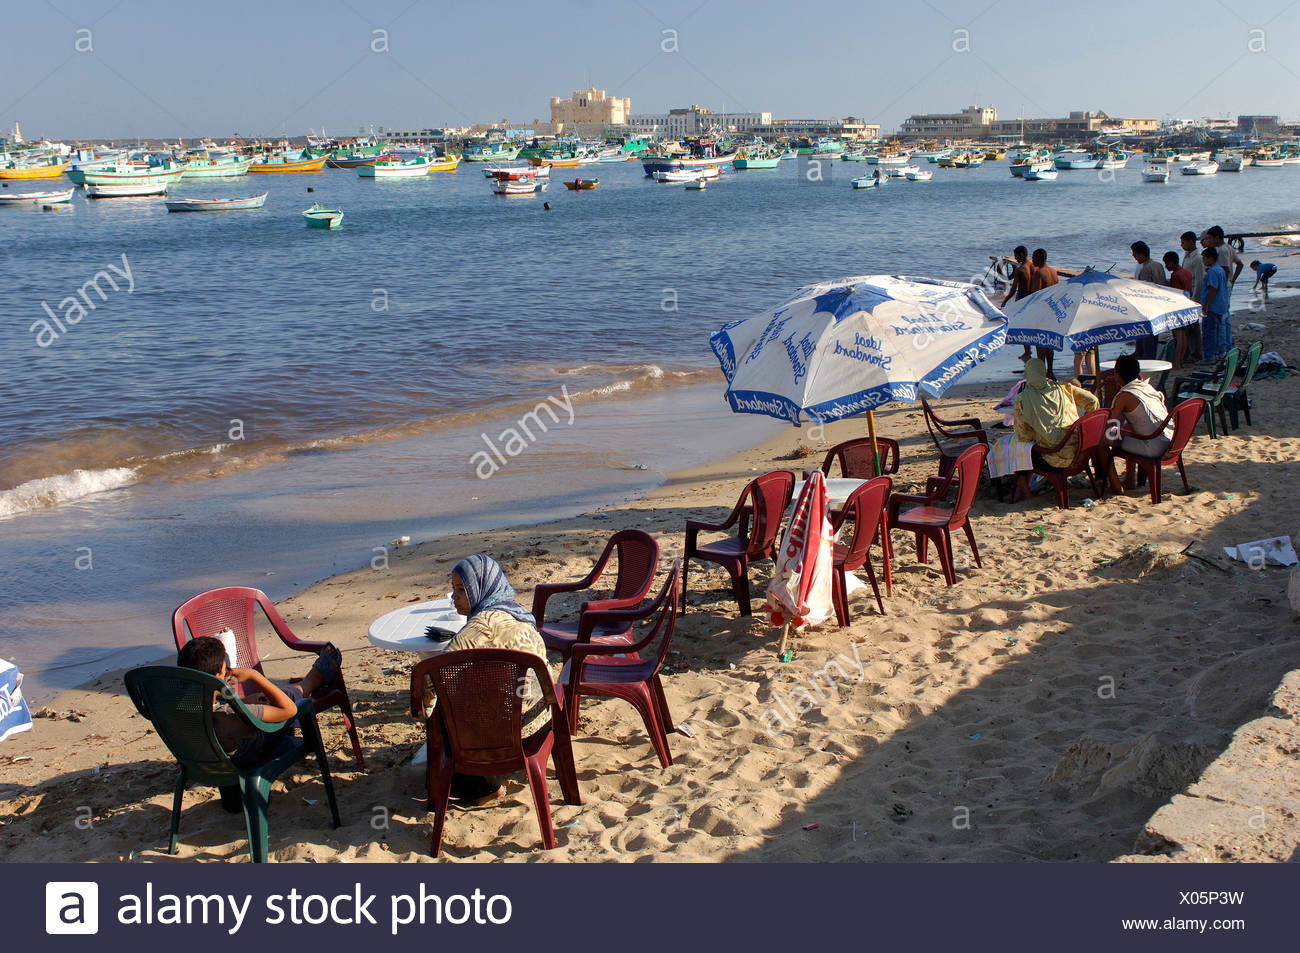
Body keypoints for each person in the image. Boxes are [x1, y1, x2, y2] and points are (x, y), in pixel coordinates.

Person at [432, 554, 554, 804]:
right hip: (543, 725)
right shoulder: (516, 614)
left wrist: (423, 706)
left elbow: (434, 675)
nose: (453, 597)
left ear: (480, 589)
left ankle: (483, 788)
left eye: (460, 590)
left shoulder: (478, 627)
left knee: (444, 712)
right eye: (452, 590)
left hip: (509, 737)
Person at [176, 636, 341, 769]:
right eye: (225, 669)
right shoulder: (230, 715)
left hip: (202, 762)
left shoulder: (175, 706)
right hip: (246, 758)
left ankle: (305, 685)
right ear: (219, 674)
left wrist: (243, 701)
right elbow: (289, 710)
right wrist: (254, 675)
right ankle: (311, 681)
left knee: (263, 699)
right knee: (288, 698)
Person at [1012, 358, 1100, 499]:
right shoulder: (1064, 388)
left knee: (1020, 451)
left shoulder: (1022, 399)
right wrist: (1085, 429)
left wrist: (1039, 431)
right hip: (1080, 453)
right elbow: (1093, 401)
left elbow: (1023, 436)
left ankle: (1024, 492)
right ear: (1043, 372)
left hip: (1053, 460)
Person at [1098, 353, 1173, 494]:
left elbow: (1108, 421)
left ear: (1118, 375)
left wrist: (1110, 396)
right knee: (1128, 430)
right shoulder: (1147, 387)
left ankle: (1115, 485)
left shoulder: (1124, 395)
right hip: (1170, 441)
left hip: (1154, 446)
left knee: (1101, 443)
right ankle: (1130, 479)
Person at [1130, 241, 1167, 359]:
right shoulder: (1158, 265)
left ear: (1141, 254)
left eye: (1135, 254)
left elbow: (1144, 291)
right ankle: (1149, 355)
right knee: (1153, 334)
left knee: (1147, 334)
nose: (1134, 257)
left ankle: (1147, 358)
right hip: (1159, 304)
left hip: (1148, 307)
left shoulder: (1146, 269)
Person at [1026, 248, 1059, 378]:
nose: (1032, 261)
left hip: (1041, 312)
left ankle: (1042, 372)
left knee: (1040, 344)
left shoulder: (1039, 273)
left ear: (1039, 258)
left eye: (1033, 258)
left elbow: (1035, 296)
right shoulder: (1053, 272)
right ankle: (1050, 370)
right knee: (1049, 343)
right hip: (1052, 311)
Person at [1163, 250, 1196, 368]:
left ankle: (1177, 362)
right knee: (1184, 336)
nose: (1166, 267)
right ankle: (1181, 360)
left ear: (1172, 262)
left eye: (1166, 264)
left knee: (1179, 336)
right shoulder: (1186, 272)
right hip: (1187, 306)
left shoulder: (1176, 275)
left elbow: (1175, 293)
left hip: (1178, 308)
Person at [1001, 245, 1033, 360]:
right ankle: (1030, 349)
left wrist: (1005, 301)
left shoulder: (1020, 270)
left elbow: (1013, 289)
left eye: (1016, 256)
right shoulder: (1033, 266)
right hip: (1032, 297)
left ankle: (1027, 351)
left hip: (1023, 297)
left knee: (1022, 325)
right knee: (1031, 324)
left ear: (1022, 254)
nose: (1015, 259)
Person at [1200, 247, 1231, 361]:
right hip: (1220, 304)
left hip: (1213, 306)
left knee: (1209, 332)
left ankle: (1209, 356)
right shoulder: (1220, 270)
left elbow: (1213, 288)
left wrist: (1206, 305)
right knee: (1218, 330)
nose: (1203, 261)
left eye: (1204, 258)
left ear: (1210, 258)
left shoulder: (1213, 271)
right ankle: (1219, 352)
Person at [1180, 230, 1206, 362]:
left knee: (1193, 327)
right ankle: (1190, 351)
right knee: (1189, 326)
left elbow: (1199, 280)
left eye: (1183, 242)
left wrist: (1195, 299)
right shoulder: (1187, 256)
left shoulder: (1198, 258)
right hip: (1186, 296)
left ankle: (1196, 353)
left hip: (1193, 296)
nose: (1182, 245)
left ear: (1191, 241)